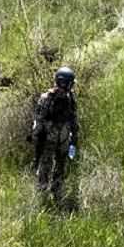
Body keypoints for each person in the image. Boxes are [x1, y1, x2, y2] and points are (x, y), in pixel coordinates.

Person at [30, 68, 80, 202]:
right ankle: (42, 193)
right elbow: (39, 119)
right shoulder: (47, 98)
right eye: (70, 83)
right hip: (48, 138)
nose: (72, 86)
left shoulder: (71, 98)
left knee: (60, 166)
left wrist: (74, 139)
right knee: (45, 165)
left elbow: (74, 119)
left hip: (63, 138)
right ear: (63, 83)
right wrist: (36, 138)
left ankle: (57, 193)